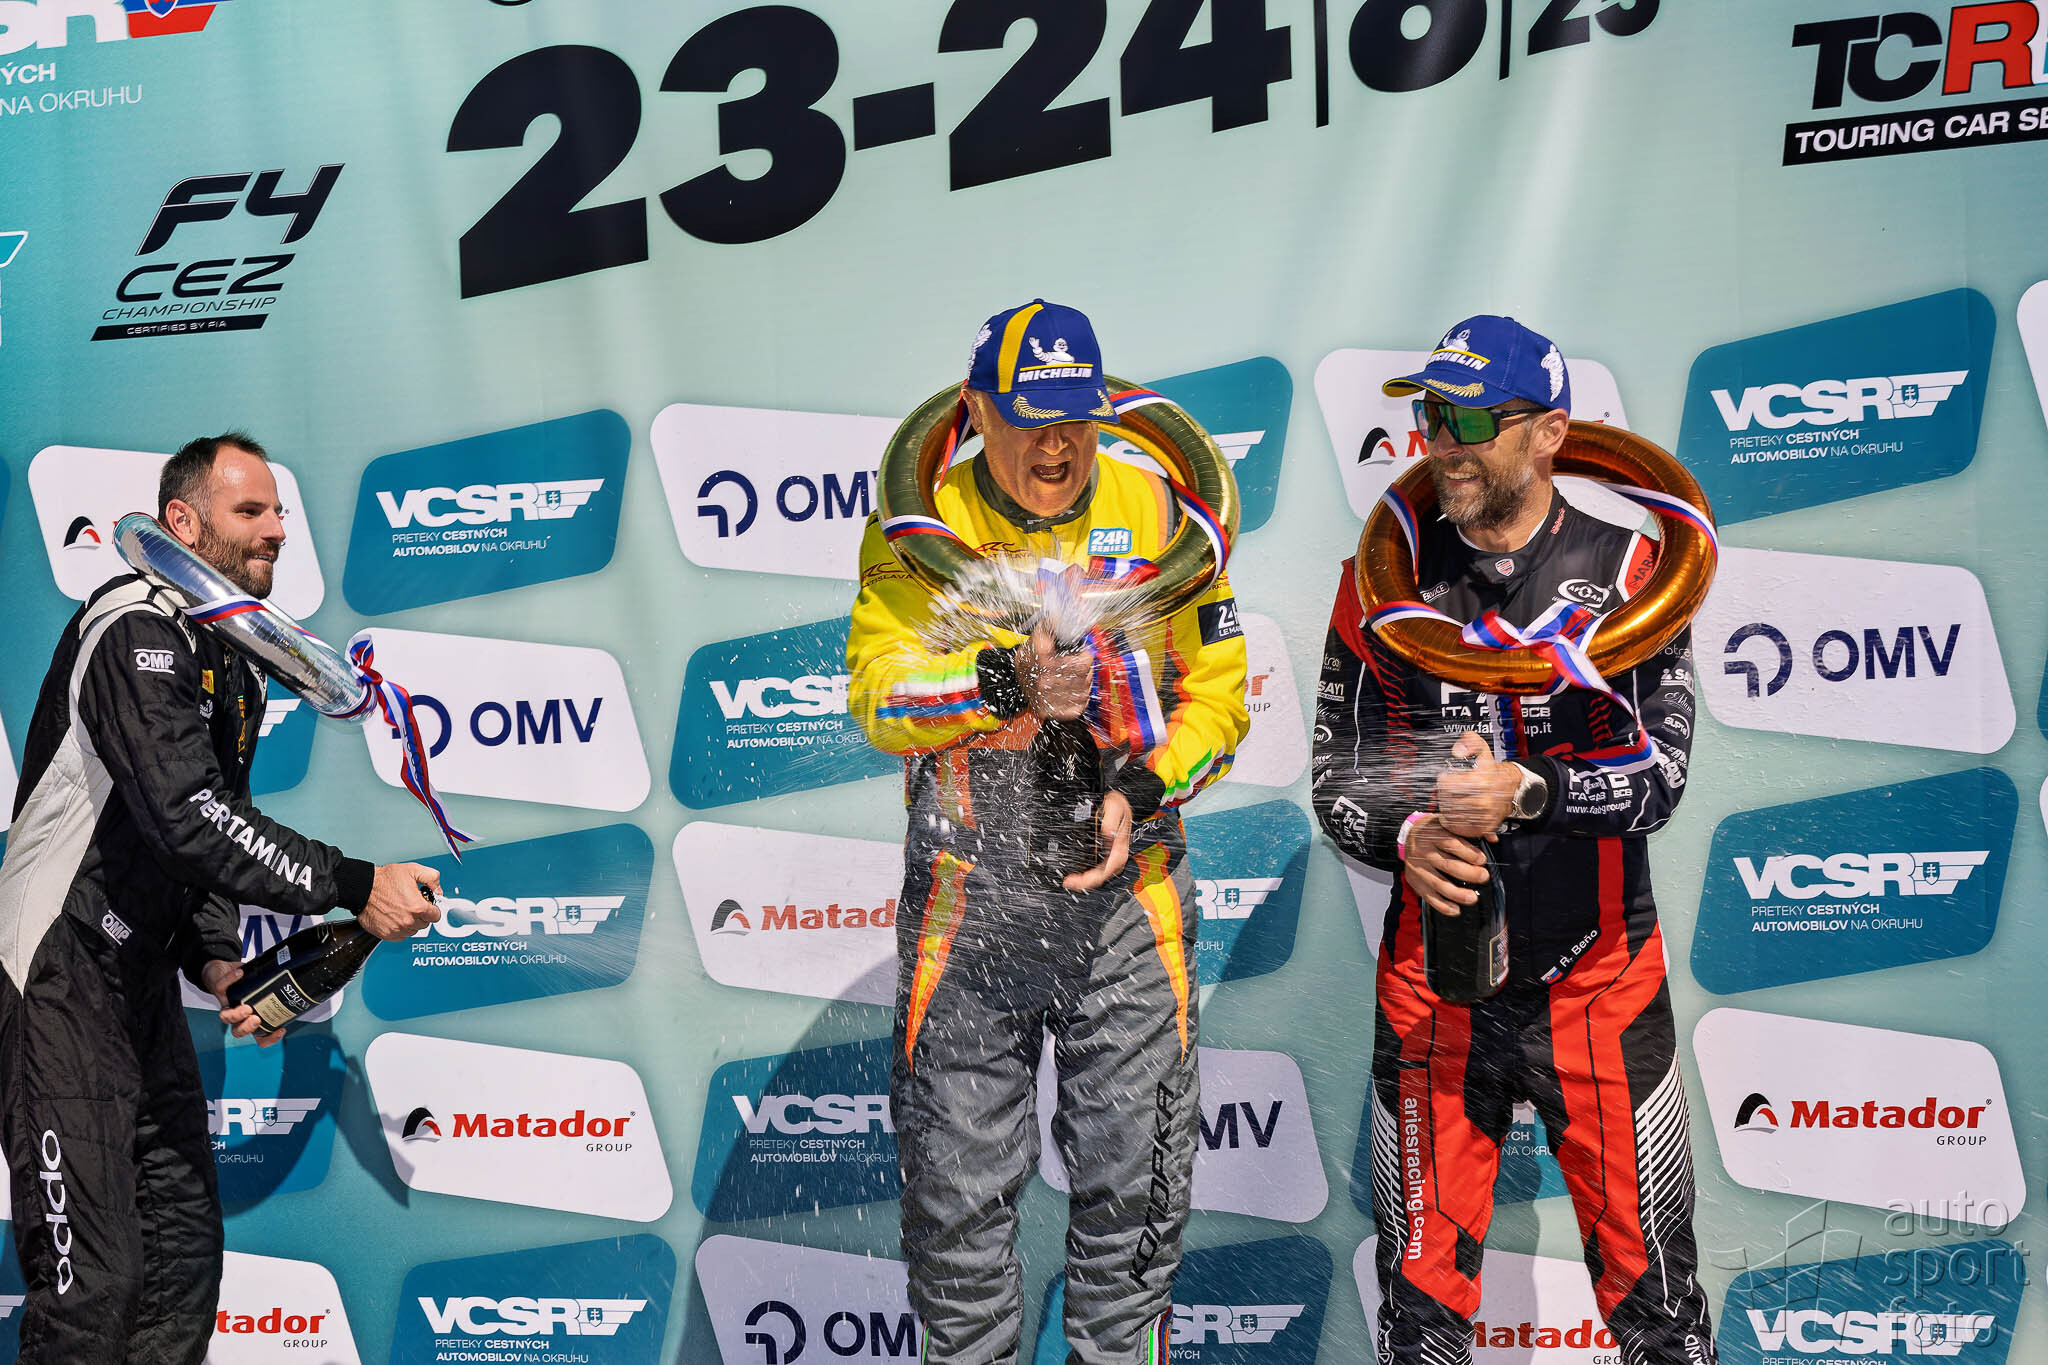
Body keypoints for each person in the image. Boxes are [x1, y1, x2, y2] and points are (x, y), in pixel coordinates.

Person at [848, 300, 1250, 1363]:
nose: (1056, 446)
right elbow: (878, 700)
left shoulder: (1161, 512)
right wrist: (999, 681)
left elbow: (1220, 701)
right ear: (976, 409)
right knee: (954, 1213)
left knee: (1138, 1199)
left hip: (1129, 896)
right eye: (1030, 420)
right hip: (965, 901)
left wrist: (1140, 792)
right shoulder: (919, 521)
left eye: (1075, 419)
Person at [1311, 318, 1716, 1365]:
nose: (1441, 441)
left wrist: (1527, 790)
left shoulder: (1631, 568)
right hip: (1434, 986)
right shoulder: (1383, 576)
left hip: (1598, 982)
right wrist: (1408, 832)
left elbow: (1660, 779)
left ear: (1547, 433)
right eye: (1429, 414)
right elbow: (1337, 781)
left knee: (1660, 1310)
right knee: (1419, 1318)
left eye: (1469, 418)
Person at [0, 433, 443, 1363]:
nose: (278, 529)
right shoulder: (133, 624)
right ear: (182, 523)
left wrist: (216, 960)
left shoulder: (231, 655)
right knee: (93, 1289)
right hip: (57, 974)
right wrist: (356, 884)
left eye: (280, 511)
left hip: (138, 983)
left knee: (179, 1272)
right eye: (252, 511)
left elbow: (214, 830)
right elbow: (188, 817)